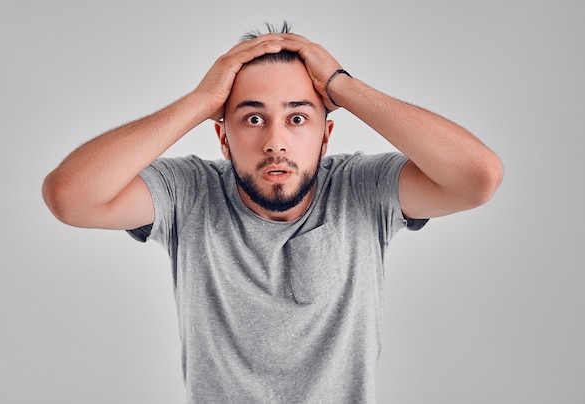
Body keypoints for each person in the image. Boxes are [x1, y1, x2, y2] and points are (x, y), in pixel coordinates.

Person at [43, 22, 503, 403]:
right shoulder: (189, 192)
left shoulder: (361, 189)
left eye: (298, 118)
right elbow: (70, 196)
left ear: (326, 136)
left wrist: (343, 84)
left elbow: (478, 177)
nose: (275, 142)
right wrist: (201, 101)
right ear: (223, 138)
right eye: (253, 118)